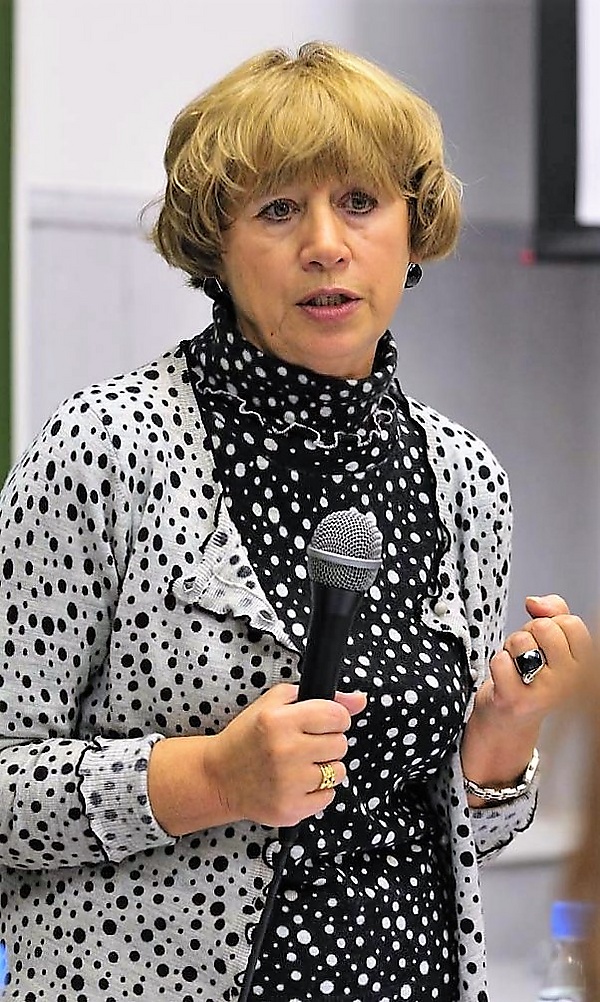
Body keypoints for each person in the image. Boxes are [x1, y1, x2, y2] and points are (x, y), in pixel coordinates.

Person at [0, 41, 591, 1002]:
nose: (325, 243)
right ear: (216, 244)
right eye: (278, 209)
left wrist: (502, 739)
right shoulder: (105, 449)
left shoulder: (463, 478)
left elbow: (455, 832)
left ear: (413, 228)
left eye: (360, 202)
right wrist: (209, 779)